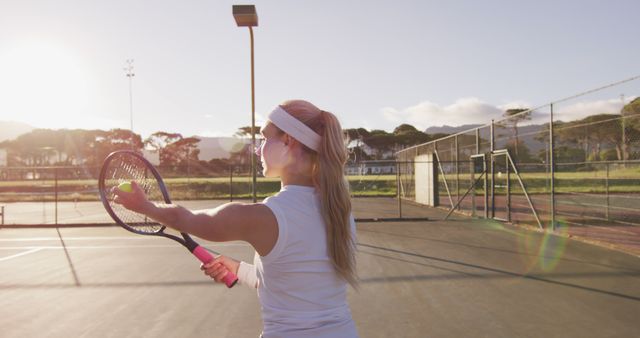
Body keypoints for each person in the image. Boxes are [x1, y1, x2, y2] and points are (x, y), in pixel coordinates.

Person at [113, 99, 359, 338]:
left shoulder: (265, 216)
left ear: (288, 142)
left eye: (264, 139)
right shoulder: (339, 210)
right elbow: (295, 287)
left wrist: (143, 206)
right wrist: (240, 270)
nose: (258, 149)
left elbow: (184, 217)